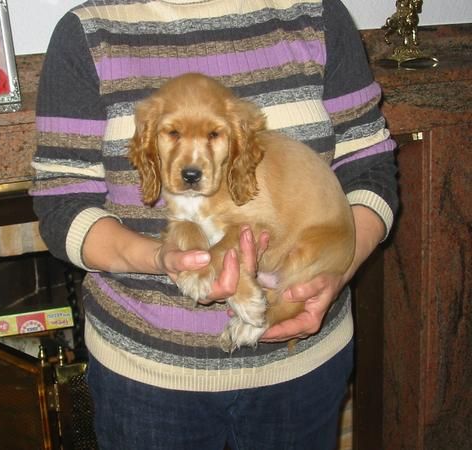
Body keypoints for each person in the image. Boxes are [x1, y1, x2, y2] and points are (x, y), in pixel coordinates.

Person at [30, 0, 398, 448]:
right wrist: (162, 258)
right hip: (148, 379)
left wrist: (334, 270)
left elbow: (371, 168)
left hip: (303, 367)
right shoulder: (87, 31)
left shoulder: (317, 13)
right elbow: (60, 204)